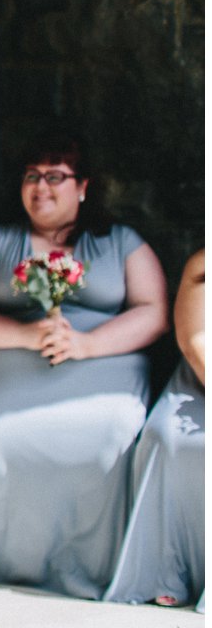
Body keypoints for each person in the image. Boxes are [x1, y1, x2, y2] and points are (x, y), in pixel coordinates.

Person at [0, 131, 169, 598]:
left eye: (56, 176)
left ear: (83, 186)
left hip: (99, 362)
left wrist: (88, 344)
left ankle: (93, 567)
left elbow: (154, 311)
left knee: (110, 433)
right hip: (7, 366)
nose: (42, 187)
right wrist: (25, 334)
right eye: (32, 176)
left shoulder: (120, 242)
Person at [104, 250, 205, 607]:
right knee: (170, 438)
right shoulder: (202, 264)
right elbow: (196, 342)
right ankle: (169, 568)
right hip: (201, 380)